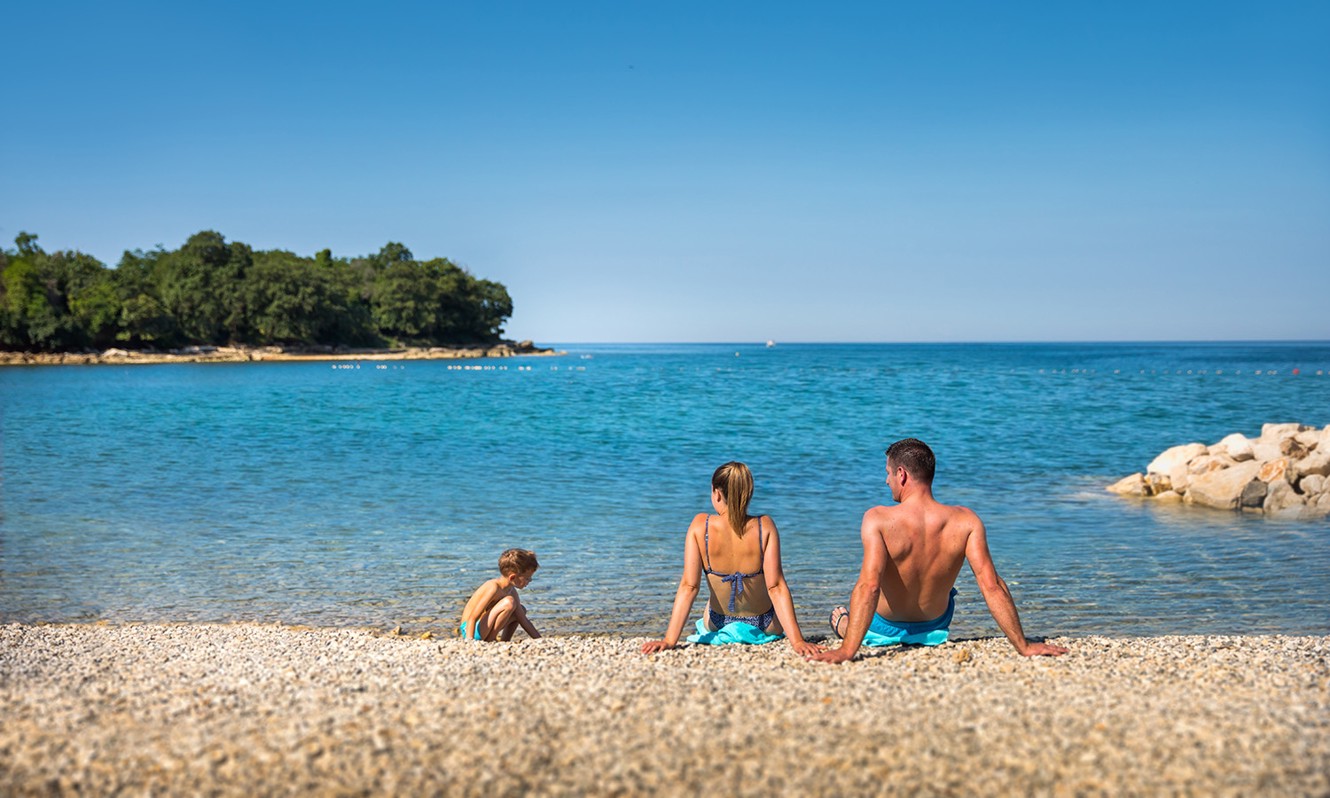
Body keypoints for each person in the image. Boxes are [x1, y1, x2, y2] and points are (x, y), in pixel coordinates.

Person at [810, 439, 1067, 663]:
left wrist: (846, 651)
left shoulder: (877, 518)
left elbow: (870, 586)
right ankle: (875, 629)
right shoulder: (966, 520)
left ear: (902, 474)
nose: (886, 480)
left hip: (881, 628)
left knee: (849, 607)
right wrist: (1023, 646)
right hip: (934, 626)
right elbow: (991, 585)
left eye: (888, 473)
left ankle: (846, 627)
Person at [642, 462, 818, 656]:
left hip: (718, 621)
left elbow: (689, 586)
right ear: (748, 493)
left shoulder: (700, 526)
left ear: (717, 493)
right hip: (764, 623)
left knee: (711, 601)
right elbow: (776, 587)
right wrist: (798, 641)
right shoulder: (764, 526)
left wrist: (669, 640)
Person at [458, 548, 542, 642]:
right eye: (527, 578)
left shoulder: (511, 590)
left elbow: (523, 619)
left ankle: (504, 641)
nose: (529, 581)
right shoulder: (493, 587)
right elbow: (472, 617)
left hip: (481, 628)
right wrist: (469, 640)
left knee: (521, 610)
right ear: (513, 577)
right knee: (509, 602)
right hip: (470, 629)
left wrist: (539, 640)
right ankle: (491, 639)